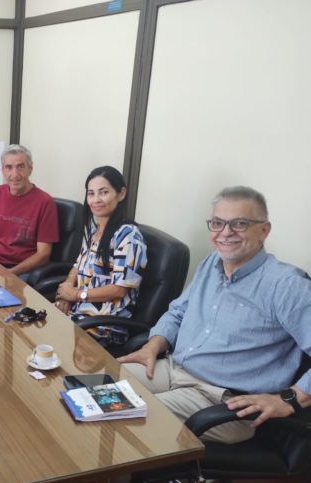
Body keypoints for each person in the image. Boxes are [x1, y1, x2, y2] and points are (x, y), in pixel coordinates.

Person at [118, 186, 311, 444]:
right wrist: (152, 346)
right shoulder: (211, 263)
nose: (225, 233)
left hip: (222, 400)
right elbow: (178, 312)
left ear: (264, 230)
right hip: (173, 369)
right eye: (218, 223)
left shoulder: (286, 285)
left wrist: (288, 399)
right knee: (96, 386)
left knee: (117, 415)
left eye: (239, 223)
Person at [54, 166, 147, 346]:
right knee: (32, 322)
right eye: (91, 194)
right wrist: (67, 288)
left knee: (48, 339)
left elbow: (119, 289)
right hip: (80, 312)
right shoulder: (95, 231)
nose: (96, 200)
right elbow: (78, 266)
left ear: (121, 194)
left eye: (103, 192)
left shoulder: (128, 236)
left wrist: (76, 295)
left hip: (105, 323)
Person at [0, 144, 59, 281]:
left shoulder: (45, 202)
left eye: (20, 167)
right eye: (9, 167)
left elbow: (43, 254)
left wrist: (9, 273)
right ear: (3, 171)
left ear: (30, 169)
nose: (15, 175)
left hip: (21, 271)